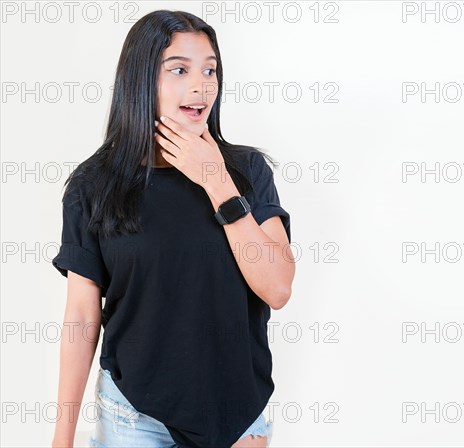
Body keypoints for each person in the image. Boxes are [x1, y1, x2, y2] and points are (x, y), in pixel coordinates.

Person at [50, 9, 295, 448]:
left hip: (236, 413)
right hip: (133, 414)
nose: (201, 85)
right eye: (179, 70)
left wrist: (217, 181)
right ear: (141, 79)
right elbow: (82, 318)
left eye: (210, 70)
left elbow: (277, 288)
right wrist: (61, 437)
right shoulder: (93, 185)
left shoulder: (247, 171)